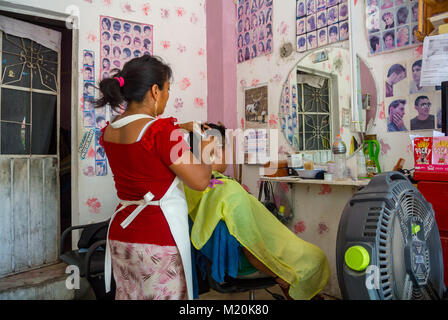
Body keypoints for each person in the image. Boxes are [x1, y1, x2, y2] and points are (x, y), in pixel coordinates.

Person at [96, 55, 216, 300]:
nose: (167, 96)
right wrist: (206, 150)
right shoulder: (162, 131)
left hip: (121, 237)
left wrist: (180, 127)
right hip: (157, 240)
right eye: (167, 89)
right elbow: (200, 181)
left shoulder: (109, 131)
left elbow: (143, 146)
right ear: (154, 90)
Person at [185, 123, 331, 300]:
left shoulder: (190, 188)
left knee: (299, 256)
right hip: (247, 263)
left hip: (223, 259)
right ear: (215, 150)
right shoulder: (229, 191)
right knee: (315, 258)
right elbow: (251, 248)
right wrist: (279, 276)